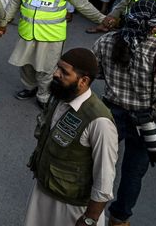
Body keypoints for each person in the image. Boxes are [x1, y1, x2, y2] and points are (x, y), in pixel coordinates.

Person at [92, 0, 156, 226]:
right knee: (133, 172)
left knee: (100, 163)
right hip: (147, 119)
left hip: (110, 113)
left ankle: (90, 210)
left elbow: (93, 72)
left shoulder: (106, 40)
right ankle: (119, 218)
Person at [0, 0, 105, 107]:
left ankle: (43, 96)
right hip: (28, 33)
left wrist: (102, 19)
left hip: (51, 37)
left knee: (47, 70)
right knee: (26, 65)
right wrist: (2, 23)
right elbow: (13, 2)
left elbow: (82, 5)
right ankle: (29, 87)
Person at [24, 48, 119, 226]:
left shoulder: (99, 122)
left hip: (72, 209)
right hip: (43, 193)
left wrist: (89, 219)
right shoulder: (59, 97)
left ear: (83, 81)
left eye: (64, 72)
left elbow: (104, 178)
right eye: (57, 68)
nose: (56, 74)